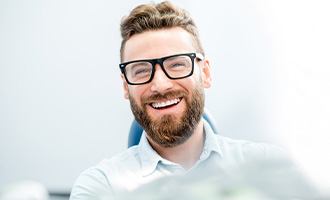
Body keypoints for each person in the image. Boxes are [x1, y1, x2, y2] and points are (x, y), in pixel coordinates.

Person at [69, 1, 287, 199]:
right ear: (126, 86)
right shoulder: (100, 187)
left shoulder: (268, 169)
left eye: (177, 64)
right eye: (141, 70)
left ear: (206, 73)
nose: (160, 85)